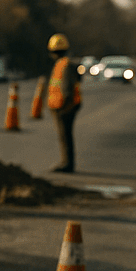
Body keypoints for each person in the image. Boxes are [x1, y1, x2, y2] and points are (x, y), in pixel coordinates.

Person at [45, 33, 83, 172]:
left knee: (65, 136)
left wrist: (65, 107)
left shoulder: (65, 65)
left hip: (65, 106)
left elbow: (67, 89)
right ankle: (66, 162)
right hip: (63, 105)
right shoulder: (63, 64)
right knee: (65, 135)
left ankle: (67, 164)